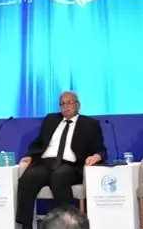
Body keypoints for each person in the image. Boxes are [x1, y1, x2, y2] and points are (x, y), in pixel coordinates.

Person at [16, 91, 107, 229]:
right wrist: (31, 156)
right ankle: (26, 225)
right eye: (62, 104)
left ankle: (66, 224)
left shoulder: (90, 124)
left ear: (78, 105)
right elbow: (38, 143)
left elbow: (101, 149)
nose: (66, 106)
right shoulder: (51, 120)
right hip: (45, 163)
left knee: (59, 176)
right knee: (27, 178)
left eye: (69, 102)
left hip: (70, 166)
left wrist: (96, 157)